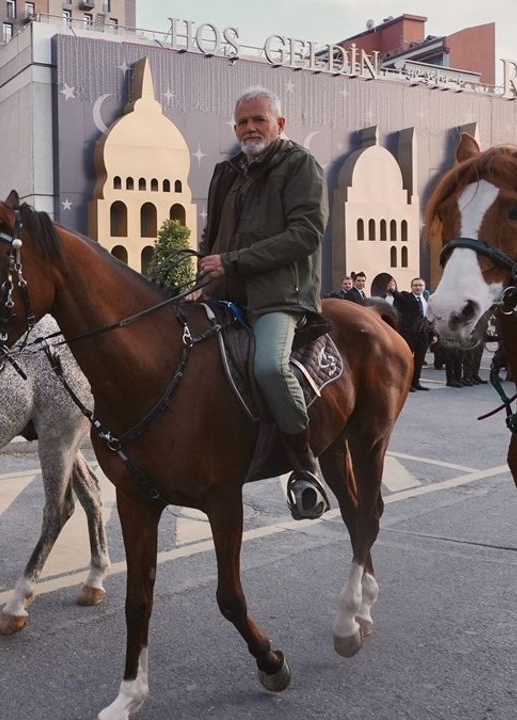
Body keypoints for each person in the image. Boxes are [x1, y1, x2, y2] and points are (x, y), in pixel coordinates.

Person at [195, 86, 329, 520]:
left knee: (269, 366)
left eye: (259, 120)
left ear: (280, 124)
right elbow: (212, 237)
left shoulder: (300, 165)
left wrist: (232, 262)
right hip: (224, 290)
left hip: (279, 296)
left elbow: (306, 235)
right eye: (243, 122)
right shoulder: (226, 172)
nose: (250, 128)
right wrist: (202, 277)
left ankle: (305, 464)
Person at [406, 278, 434, 391]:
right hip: (411, 334)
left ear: (424, 287)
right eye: (415, 285)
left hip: (424, 334)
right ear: (411, 287)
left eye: (420, 285)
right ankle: (407, 384)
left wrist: (432, 334)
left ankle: (416, 381)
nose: (418, 287)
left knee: (420, 359)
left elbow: (429, 318)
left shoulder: (425, 299)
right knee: (408, 360)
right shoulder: (407, 299)